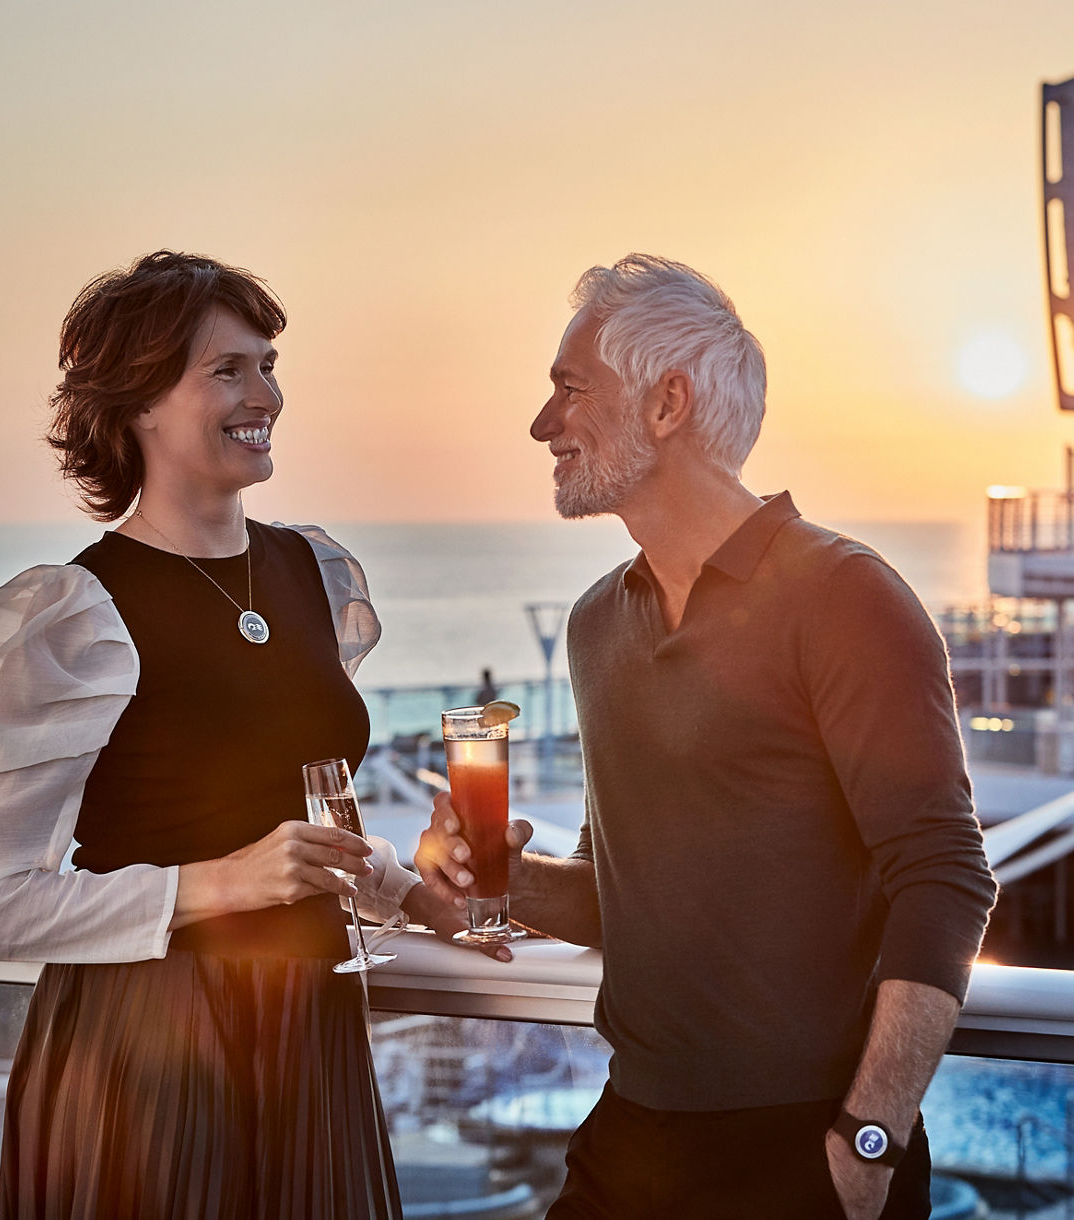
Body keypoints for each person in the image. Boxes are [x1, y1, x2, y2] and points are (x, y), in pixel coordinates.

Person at [415, 254, 998, 1220]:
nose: (542, 424)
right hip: (629, 1139)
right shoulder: (599, 624)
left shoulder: (846, 597)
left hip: (807, 1151)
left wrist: (869, 1140)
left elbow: (945, 876)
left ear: (667, 403)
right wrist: (494, 877)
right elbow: (620, 901)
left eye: (570, 389)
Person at [0, 250, 456, 1219]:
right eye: (228, 369)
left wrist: (412, 893)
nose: (266, 392)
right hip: (144, 1052)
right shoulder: (77, 612)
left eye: (267, 363)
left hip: (306, 1028)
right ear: (137, 404)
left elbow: (287, 816)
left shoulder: (313, 570)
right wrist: (212, 884)